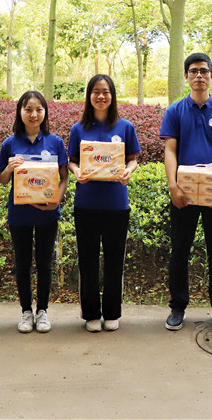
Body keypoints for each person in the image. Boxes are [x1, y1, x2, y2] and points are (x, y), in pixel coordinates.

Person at [160, 52, 212, 330]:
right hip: (183, 192)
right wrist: (173, 186)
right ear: (186, 76)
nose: (199, 76)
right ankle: (177, 307)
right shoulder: (174, 112)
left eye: (204, 71)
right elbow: (170, 150)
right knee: (180, 250)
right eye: (193, 71)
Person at [67, 75, 141, 332]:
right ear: (89, 96)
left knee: (114, 260)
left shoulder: (125, 127)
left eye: (106, 92)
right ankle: (90, 313)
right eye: (96, 91)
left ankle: (112, 312)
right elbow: (72, 161)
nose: (101, 96)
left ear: (112, 96)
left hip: (116, 204)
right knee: (87, 260)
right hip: (86, 203)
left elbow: (132, 159)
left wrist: (129, 170)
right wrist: (77, 171)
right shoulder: (78, 129)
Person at [0, 91, 68, 334]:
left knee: (45, 263)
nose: (33, 114)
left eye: (39, 109)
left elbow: (64, 177)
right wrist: (9, 168)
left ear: (45, 112)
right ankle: (26, 311)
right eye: (28, 109)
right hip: (20, 214)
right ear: (20, 112)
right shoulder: (10, 144)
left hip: (48, 214)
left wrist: (56, 200)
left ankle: (43, 311)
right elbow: (2, 180)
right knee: (23, 263)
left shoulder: (55, 142)